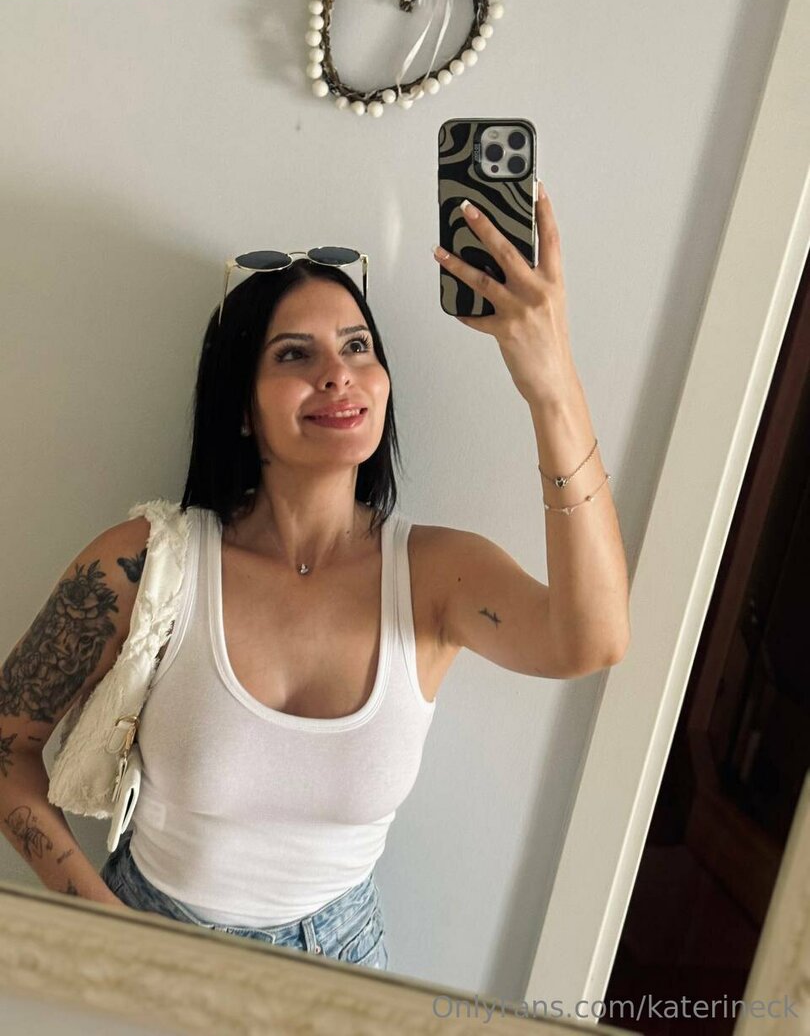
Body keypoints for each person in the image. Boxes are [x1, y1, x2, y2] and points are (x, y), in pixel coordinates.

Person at [0, 190, 630, 969]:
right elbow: (6, 748)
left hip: (341, 964)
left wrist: (552, 383)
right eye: (295, 355)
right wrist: (108, 930)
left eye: (358, 346)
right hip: (146, 939)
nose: (339, 374)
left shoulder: (436, 576)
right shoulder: (146, 565)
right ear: (241, 407)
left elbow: (592, 641)